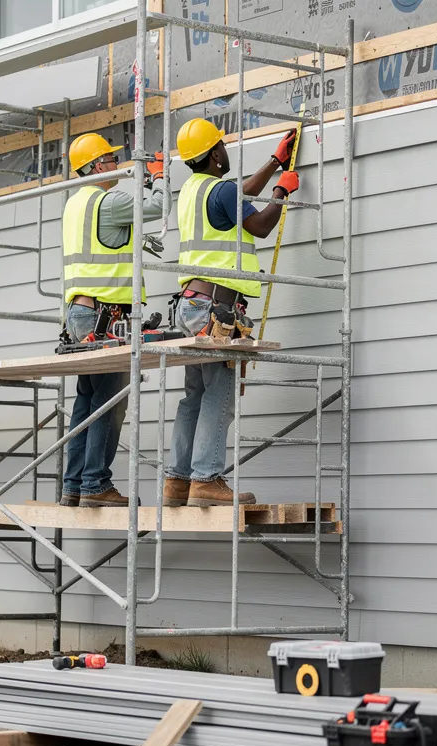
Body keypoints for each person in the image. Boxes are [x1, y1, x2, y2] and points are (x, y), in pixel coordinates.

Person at [163, 118, 299, 507]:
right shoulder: (220, 190)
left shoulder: (192, 189)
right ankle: (206, 479)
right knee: (218, 395)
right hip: (217, 309)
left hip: (192, 304)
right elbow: (258, 225)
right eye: (222, 145)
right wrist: (281, 192)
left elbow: (237, 196)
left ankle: (178, 481)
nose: (226, 150)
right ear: (215, 154)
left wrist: (274, 161)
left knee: (194, 396)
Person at [59, 133, 167, 507]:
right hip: (105, 317)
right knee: (110, 401)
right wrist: (157, 174)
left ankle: (74, 485)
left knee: (87, 401)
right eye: (108, 159)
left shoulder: (76, 204)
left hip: (81, 314)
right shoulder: (108, 202)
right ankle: (95, 486)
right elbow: (159, 206)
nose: (115, 165)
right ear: (92, 168)